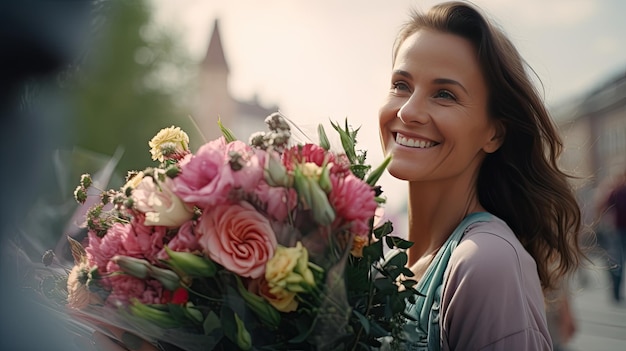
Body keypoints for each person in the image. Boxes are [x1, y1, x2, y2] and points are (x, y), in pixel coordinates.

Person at [378, 2, 584, 350]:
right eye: (401, 84)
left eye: (444, 94)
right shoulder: (387, 263)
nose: (408, 110)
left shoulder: (487, 263)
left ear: (494, 133)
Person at [598, 170, 626, 302]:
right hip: (616, 232)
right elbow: (602, 208)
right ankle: (615, 292)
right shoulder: (614, 193)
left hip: (619, 231)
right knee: (617, 260)